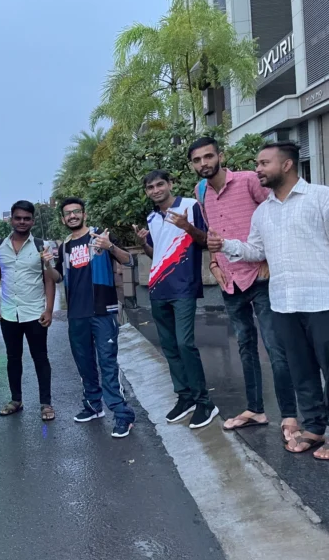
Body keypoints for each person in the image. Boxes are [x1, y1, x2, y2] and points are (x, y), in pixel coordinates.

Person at [208, 141, 329, 458]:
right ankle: (315, 428)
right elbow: (256, 250)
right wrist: (226, 245)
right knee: (302, 370)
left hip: (322, 300)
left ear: (287, 165)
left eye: (264, 163)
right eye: (257, 163)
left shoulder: (321, 198)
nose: (257, 169)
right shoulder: (263, 212)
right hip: (284, 303)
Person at [186, 137, 298, 441]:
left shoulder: (249, 181)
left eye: (208, 157)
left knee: (275, 347)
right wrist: (214, 263)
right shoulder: (200, 191)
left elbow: (277, 213)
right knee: (245, 346)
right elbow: (213, 232)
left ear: (220, 156)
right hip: (230, 280)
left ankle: (289, 416)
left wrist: (271, 259)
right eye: (197, 160)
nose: (203, 163)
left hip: (260, 276)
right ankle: (255, 410)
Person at [133, 170, 219, 430]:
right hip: (158, 287)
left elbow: (204, 241)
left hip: (183, 286)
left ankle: (205, 402)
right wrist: (144, 243)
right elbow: (156, 252)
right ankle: (185, 397)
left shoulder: (190, 206)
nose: (156, 190)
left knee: (185, 344)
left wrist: (186, 226)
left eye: (160, 184)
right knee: (169, 346)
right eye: (150, 187)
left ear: (170, 184)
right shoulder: (152, 217)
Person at [45, 197, 137, 438]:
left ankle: (122, 415)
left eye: (76, 211)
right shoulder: (64, 246)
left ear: (84, 215)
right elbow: (58, 278)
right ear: (63, 219)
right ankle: (93, 406)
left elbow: (129, 260)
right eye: (68, 213)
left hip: (102, 311)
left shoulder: (100, 236)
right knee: (84, 363)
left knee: (107, 363)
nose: (72, 216)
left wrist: (110, 246)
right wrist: (47, 265)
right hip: (77, 314)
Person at [0, 200, 56, 421]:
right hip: (9, 313)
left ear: (33, 221)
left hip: (35, 312)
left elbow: (49, 280)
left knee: (40, 357)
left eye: (27, 218)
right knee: (13, 358)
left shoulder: (41, 246)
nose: (22, 222)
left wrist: (49, 309)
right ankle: (16, 400)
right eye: (18, 218)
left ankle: (46, 404)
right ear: (11, 220)